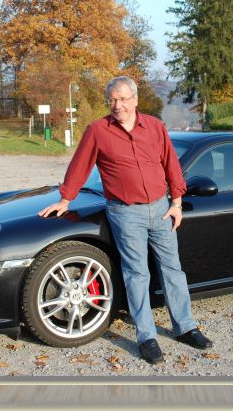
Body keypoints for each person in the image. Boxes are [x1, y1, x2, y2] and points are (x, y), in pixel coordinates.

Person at [39, 76, 212, 364]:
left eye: (122, 99)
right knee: (137, 273)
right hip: (125, 212)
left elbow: (170, 164)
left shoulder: (155, 127)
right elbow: (80, 166)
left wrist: (177, 203)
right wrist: (65, 200)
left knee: (172, 269)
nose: (117, 105)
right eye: (112, 100)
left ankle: (186, 327)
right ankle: (147, 337)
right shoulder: (98, 130)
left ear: (135, 99)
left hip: (161, 209)